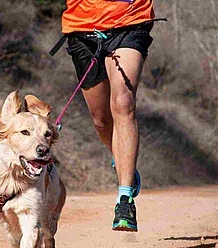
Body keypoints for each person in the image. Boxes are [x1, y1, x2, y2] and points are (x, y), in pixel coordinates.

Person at [61, 0, 156, 232]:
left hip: (130, 23)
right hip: (83, 28)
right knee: (101, 120)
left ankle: (125, 201)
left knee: (123, 102)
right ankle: (123, 161)